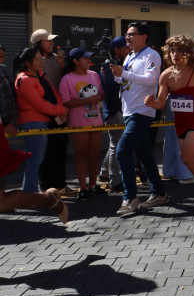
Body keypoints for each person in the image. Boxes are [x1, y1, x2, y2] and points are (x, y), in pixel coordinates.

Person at [145, 35, 194, 205]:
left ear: (188, 52)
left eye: (179, 50)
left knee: (186, 156)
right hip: (180, 121)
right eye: (172, 50)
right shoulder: (166, 76)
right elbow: (160, 103)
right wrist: (152, 103)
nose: (175, 54)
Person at [109, 21, 169, 217]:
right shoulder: (131, 56)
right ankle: (159, 192)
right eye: (126, 34)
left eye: (132, 34)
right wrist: (117, 76)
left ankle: (130, 197)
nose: (128, 37)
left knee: (123, 150)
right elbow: (127, 80)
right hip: (129, 110)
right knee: (144, 154)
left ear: (144, 36)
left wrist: (124, 73)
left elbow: (151, 80)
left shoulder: (152, 55)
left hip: (142, 111)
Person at [13, 47, 68, 194]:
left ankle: (31, 193)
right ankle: (30, 194)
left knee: (38, 159)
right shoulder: (24, 80)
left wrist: (59, 109)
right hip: (32, 123)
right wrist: (61, 110)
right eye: (38, 59)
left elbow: (54, 94)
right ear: (28, 63)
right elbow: (39, 104)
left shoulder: (39, 75)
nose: (42, 62)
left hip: (44, 121)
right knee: (35, 160)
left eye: (42, 59)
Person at [30, 29, 74, 197]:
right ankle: (47, 188)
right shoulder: (31, 62)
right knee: (46, 152)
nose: (51, 43)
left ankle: (61, 185)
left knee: (61, 147)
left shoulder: (57, 59)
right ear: (37, 43)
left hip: (60, 111)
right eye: (47, 41)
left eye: (52, 41)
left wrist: (62, 64)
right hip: (43, 112)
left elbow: (65, 81)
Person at [59, 48, 106, 201]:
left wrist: (99, 97)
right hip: (78, 122)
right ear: (76, 61)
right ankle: (83, 188)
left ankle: (93, 185)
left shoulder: (94, 75)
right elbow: (66, 102)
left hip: (96, 121)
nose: (88, 61)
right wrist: (85, 101)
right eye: (85, 58)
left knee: (95, 155)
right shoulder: (67, 78)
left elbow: (102, 93)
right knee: (81, 155)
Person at [99, 36, 130, 192]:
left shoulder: (126, 63)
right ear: (118, 49)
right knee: (116, 145)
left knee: (116, 144)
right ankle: (115, 180)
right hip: (114, 110)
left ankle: (104, 172)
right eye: (126, 47)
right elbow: (111, 90)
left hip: (124, 109)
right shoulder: (108, 65)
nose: (129, 48)